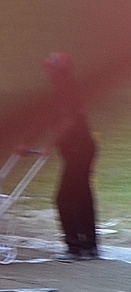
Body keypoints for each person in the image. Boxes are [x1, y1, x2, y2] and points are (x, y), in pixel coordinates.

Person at [17, 52, 100, 261]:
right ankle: (88, 246)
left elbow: (69, 122)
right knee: (81, 196)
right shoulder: (57, 92)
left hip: (80, 149)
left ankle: (76, 247)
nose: (49, 73)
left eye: (51, 70)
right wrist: (27, 142)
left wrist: (49, 145)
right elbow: (44, 121)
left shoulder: (70, 90)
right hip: (76, 150)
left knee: (64, 198)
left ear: (60, 71)